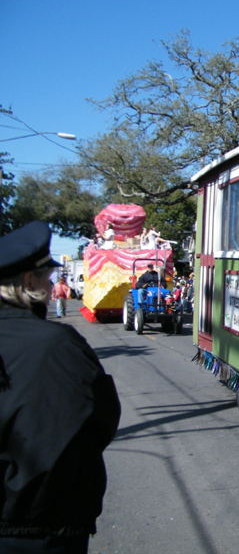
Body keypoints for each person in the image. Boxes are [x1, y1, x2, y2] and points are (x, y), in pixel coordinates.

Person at [0, 221, 120, 553]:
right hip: (45, 526)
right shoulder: (60, 345)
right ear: (29, 281)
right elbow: (101, 419)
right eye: (47, 277)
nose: (52, 284)